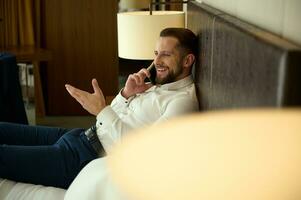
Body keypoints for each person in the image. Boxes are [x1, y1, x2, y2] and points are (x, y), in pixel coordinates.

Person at [0, 28, 199, 189]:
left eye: (166, 55)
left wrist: (101, 110)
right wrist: (126, 95)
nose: (156, 62)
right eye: (156, 54)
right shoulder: (157, 85)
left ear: (187, 60)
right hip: (80, 136)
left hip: (81, 159)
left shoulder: (182, 102)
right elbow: (115, 116)